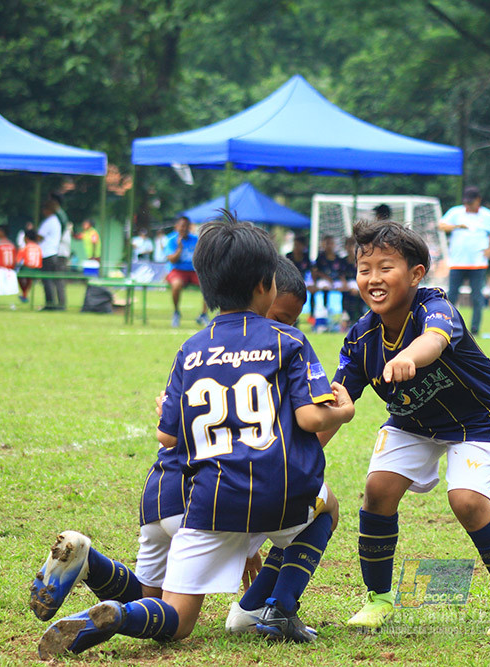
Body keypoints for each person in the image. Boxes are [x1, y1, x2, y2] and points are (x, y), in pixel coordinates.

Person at [35, 215, 355, 659]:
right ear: (266, 284)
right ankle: (273, 608)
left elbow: (166, 436)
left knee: (164, 608)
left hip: (183, 494)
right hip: (247, 495)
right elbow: (309, 417)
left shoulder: (191, 348)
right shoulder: (289, 341)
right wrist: (345, 410)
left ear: (205, 286)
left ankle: (105, 588)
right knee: (326, 507)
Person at [330, 219, 490, 637]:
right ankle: (378, 598)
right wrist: (298, 452)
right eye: (364, 269)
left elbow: (435, 339)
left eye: (385, 267)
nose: (373, 278)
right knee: (377, 490)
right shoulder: (360, 338)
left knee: (467, 501)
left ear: (416, 274)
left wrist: (410, 356)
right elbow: (337, 404)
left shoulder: (435, 307)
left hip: (475, 419)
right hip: (412, 421)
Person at [438, 186, 490, 336]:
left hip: (477, 263)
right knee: (452, 296)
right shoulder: (456, 212)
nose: (468, 206)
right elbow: (441, 225)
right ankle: (447, 325)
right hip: (457, 262)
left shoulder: (487, 215)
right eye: (466, 203)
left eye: (471, 203)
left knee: (477, 297)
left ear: (478, 200)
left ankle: (475, 329)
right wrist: (456, 226)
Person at [165, 216, 209, 328]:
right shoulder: (171, 240)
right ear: (177, 227)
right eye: (182, 226)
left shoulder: (195, 240)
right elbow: (172, 259)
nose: (184, 229)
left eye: (186, 226)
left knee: (209, 284)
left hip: (194, 270)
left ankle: (203, 314)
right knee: (176, 285)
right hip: (177, 270)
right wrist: (179, 248)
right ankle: (176, 312)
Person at [38, 196, 66, 311]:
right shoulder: (56, 221)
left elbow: (40, 236)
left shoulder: (49, 222)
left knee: (47, 280)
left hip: (47, 254)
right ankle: (61, 304)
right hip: (54, 253)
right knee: (56, 280)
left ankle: (50, 304)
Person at [16, 231, 44, 303]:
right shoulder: (39, 247)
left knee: (19, 274)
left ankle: (24, 294)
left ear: (26, 238)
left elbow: (18, 261)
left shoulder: (25, 247)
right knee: (29, 278)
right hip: (38, 270)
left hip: (27, 269)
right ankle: (25, 294)